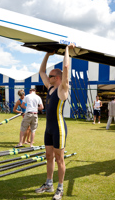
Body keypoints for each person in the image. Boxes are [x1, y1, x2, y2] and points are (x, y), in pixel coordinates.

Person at [36, 43, 75, 200]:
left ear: (57, 78)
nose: (48, 77)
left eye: (51, 76)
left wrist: (67, 49)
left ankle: (60, 188)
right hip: (48, 129)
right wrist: (47, 55)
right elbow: (41, 71)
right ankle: (49, 183)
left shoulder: (62, 88)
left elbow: (66, 67)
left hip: (59, 129)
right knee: (48, 156)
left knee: (60, 159)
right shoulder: (50, 88)